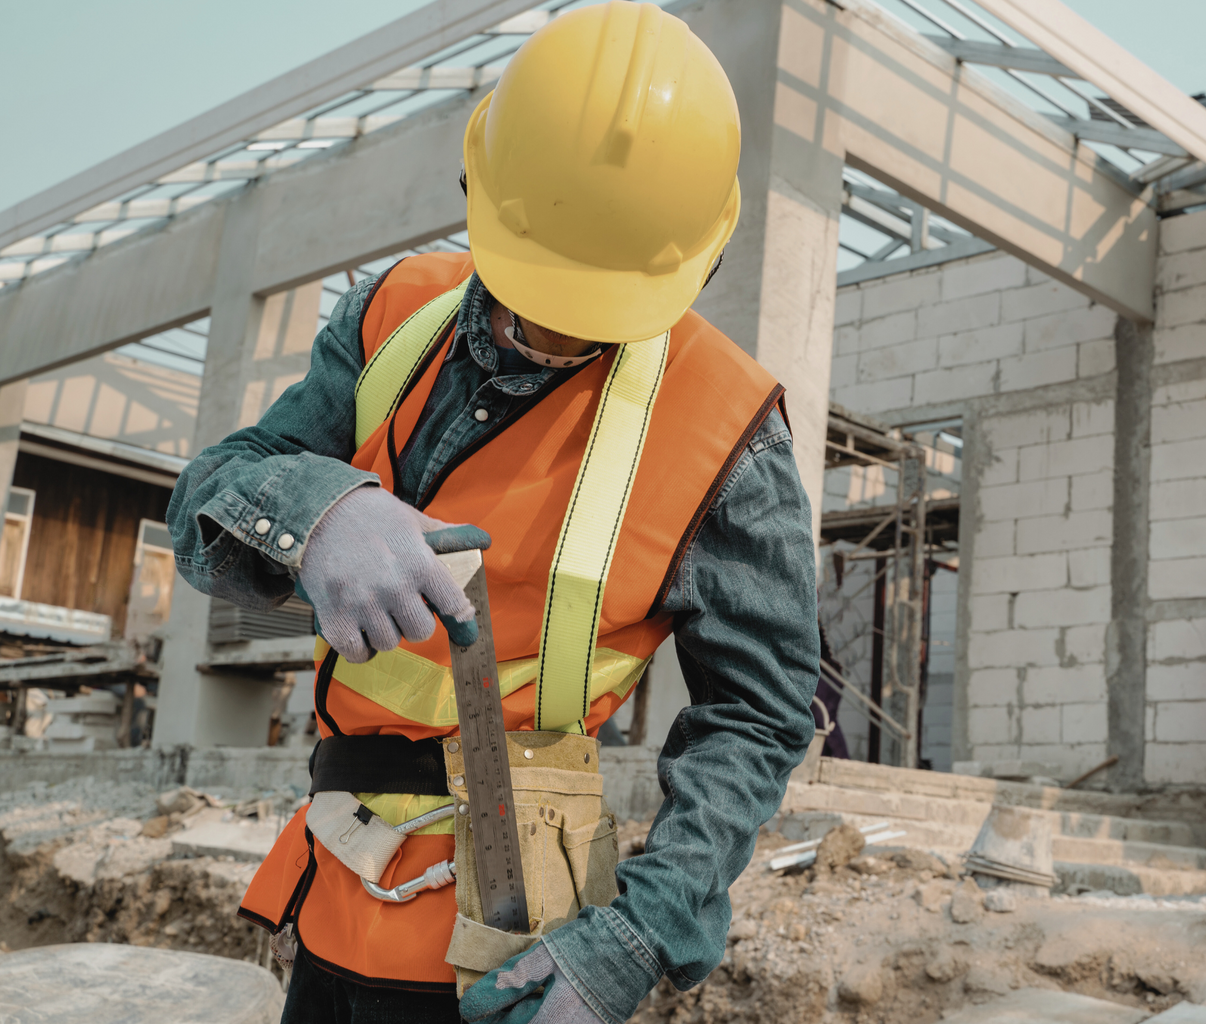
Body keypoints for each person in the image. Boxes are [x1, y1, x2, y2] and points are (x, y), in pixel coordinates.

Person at [166, 4, 819, 1023]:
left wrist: (644, 930)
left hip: (516, 949)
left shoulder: (727, 431)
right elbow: (207, 497)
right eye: (536, 295)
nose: (553, 334)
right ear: (475, 191)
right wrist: (314, 508)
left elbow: (758, 711)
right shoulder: (390, 315)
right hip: (336, 886)